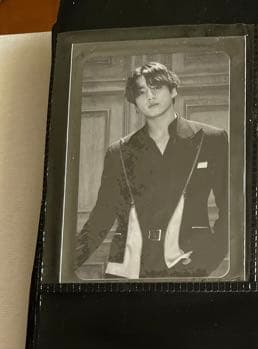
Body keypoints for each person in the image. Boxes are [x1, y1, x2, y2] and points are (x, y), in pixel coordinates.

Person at [75, 61, 228, 280]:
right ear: (135, 103)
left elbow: (231, 210)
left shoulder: (211, 140)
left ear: (173, 90)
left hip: (187, 266)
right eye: (141, 92)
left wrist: (207, 259)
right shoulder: (119, 152)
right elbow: (101, 217)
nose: (150, 96)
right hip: (128, 271)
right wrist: (63, 266)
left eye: (156, 87)